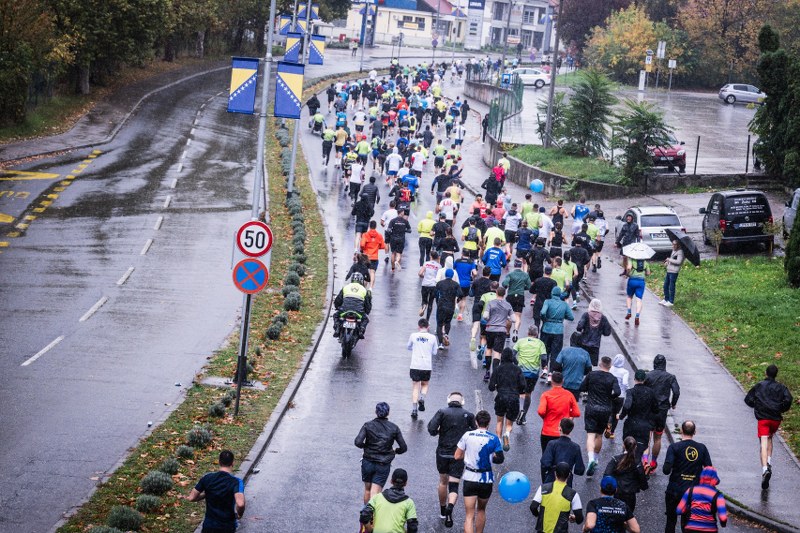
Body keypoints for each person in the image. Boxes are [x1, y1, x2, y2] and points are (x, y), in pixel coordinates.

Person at [428, 392, 477, 528]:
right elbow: (474, 432)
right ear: (462, 402)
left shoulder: (442, 412)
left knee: (443, 482)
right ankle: (451, 506)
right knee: (454, 484)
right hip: (458, 454)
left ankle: (443, 511)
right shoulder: (468, 415)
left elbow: (431, 429)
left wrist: (440, 431)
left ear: (449, 400)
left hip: (442, 453)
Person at [744, 364, 793, 489]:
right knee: (770, 438)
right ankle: (769, 462)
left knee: (763, 443)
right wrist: (780, 408)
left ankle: (765, 469)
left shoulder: (760, 385)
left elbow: (748, 399)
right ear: (776, 374)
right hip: (775, 419)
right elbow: (788, 399)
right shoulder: (781, 387)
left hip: (763, 419)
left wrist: (757, 405)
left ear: (766, 373)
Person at [455, 410, 505, 533]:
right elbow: (500, 459)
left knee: (469, 515)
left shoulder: (467, 435)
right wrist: (490, 457)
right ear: (489, 423)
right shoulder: (494, 438)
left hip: (470, 478)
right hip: (486, 479)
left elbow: (457, 456)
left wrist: (468, 455)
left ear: (476, 422)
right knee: (481, 510)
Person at [663, 420, 712, 533]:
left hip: (674, 491)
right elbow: (709, 469)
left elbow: (666, 470)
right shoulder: (702, 448)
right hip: (693, 493)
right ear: (695, 432)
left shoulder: (674, 447)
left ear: (681, 431)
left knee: (671, 521)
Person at [355, 402, 409, 504]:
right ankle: (373, 517)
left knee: (367, 490)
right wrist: (395, 451)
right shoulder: (394, 428)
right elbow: (403, 447)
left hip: (367, 462)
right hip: (383, 464)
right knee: (375, 492)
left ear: (376, 412)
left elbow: (358, 442)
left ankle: (365, 513)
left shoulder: (368, 425)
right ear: (388, 413)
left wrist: (366, 447)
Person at [579, 356, 621, 476]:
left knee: (590, 435)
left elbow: (582, 387)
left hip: (592, 407)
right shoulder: (612, 378)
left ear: (600, 363)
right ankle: (596, 459)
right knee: (599, 435)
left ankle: (591, 459)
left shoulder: (592, 375)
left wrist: (590, 391)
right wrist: (609, 397)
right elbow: (617, 392)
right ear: (610, 366)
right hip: (605, 409)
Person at [188, 450, 245, 533]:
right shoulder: (236, 482)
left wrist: (205, 494)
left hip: (209, 526)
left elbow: (192, 497)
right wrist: (240, 514)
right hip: (227, 527)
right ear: (232, 463)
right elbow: (240, 504)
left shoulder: (207, 478)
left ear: (219, 462)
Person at [644, 354, 680, 473]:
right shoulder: (670, 377)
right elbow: (676, 391)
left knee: (646, 437)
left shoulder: (648, 376)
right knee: (658, 438)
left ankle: (644, 461)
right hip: (662, 411)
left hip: (649, 409)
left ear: (654, 363)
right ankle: (653, 462)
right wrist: (673, 403)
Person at [488, 347, 526, 451]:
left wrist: (496, 387)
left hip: (501, 397)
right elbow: (523, 385)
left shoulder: (498, 369)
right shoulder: (517, 369)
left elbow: (491, 387)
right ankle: (507, 434)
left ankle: (499, 441)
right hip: (513, 398)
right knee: (509, 423)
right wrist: (520, 391)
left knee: (499, 421)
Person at [530, 462, 584, 533]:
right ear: (569, 475)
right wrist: (574, 518)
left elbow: (533, 507)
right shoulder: (573, 494)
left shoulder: (543, 488)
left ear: (555, 473)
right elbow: (580, 519)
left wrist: (539, 515)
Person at [359, 468, 419, 533]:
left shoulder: (378, 497)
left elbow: (364, 516)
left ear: (391, 481)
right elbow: (412, 527)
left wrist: (370, 530)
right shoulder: (409, 503)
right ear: (405, 483)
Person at [619, 369, 659, 460]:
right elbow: (656, 409)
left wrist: (621, 416)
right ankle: (644, 461)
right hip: (645, 424)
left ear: (634, 379)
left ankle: (625, 459)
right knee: (644, 446)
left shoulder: (630, 392)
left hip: (631, 423)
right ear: (644, 379)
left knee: (627, 443)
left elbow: (627, 406)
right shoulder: (651, 392)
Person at [538, 372, 581, 456]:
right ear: (563, 381)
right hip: (562, 432)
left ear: (552, 381)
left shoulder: (546, 395)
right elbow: (577, 413)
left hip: (547, 431)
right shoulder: (569, 395)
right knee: (561, 457)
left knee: (546, 456)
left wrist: (545, 418)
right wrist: (568, 416)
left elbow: (541, 411)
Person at [603, 436, 648, 514]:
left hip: (617, 493)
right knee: (628, 516)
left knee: (616, 515)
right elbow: (642, 478)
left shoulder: (615, 459)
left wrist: (609, 489)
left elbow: (607, 475)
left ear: (623, 445)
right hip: (630, 495)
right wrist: (644, 485)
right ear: (635, 447)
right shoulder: (637, 463)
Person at [675, 466, 728, 533]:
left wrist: (690, 508)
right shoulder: (718, 496)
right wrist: (723, 524)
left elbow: (679, 510)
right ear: (715, 479)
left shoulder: (690, 490)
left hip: (691, 529)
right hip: (710, 529)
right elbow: (723, 518)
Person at [513, 325, 547, 426]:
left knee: (517, 391)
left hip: (520, 371)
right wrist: (544, 367)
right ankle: (523, 415)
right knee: (528, 393)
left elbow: (513, 353)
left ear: (528, 333)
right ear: (536, 334)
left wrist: (516, 364)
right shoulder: (540, 343)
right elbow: (544, 357)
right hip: (533, 373)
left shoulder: (521, 341)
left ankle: (515, 411)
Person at [407, 319, 439, 418]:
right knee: (425, 384)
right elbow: (435, 352)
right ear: (428, 327)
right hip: (426, 365)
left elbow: (408, 347)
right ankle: (422, 397)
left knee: (415, 386)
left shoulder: (413, 336)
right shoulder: (433, 337)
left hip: (415, 365)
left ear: (419, 326)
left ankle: (414, 410)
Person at [482, 286, 514, 382]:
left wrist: (490, 319)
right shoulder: (508, 305)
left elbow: (485, 316)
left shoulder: (490, 303)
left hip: (490, 329)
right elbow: (514, 319)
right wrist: (506, 317)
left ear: (496, 293)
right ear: (504, 294)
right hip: (501, 330)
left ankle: (487, 371)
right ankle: (495, 374)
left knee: (489, 349)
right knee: (497, 352)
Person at [540, 286, 574, 376]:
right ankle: (551, 372)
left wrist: (545, 319)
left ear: (552, 293)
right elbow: (571, 317)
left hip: (546, 328)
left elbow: (543, 312)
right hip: (558, 330)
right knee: (555, 352)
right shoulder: (564, 304)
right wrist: (561, 317)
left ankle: (544, 368)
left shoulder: (547, 301)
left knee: (545, 350)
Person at [541, 418, 585, 486]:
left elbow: (545, 463)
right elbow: (580, 470)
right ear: (571, 430)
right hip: (567, 482)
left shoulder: (552, 444)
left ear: (560, 429)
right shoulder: (576, 447)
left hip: (551, 479)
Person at [333, 273, 372, 339]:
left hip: (344, 310)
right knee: (365, 319)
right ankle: (361, 331)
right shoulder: (364, 290)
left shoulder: (346, 287)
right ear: (361, 281)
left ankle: (337, 329)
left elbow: (338, 300)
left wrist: (337, 307)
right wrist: (366, 312)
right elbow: (367, 305)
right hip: (358, 311)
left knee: (336, 315)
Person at [575, 299, 612, 366]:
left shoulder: (586, 315)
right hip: (595, 346)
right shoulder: (603, 318)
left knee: (582, 364)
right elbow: (607, 332)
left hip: (584, 344)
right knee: (592, 366)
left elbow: (579, 327)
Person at [554, 332, 592, 399]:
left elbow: (556, 366)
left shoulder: (564, 351)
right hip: (577, 385)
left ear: (571, 340)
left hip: (564, 383)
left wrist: (563, 371)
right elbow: (589, 370)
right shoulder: (585, 354)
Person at [502, 264, 531, 341]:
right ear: (521, 267)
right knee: (517, 316)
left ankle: (507, 333)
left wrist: (509, 286)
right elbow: (529, 286)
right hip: (520, 296)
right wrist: (522, 287)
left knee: (509, 316)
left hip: (511, 296)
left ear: (515, 266)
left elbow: (505, 284)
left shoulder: (510, 274)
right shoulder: (525, 275)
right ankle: (516, 330)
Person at [469, 267, 494, 353]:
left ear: (482, 273)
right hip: (486, 306)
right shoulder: (491, 284)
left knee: (476, 324)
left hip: (476, 304)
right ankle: (480, 346)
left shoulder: (476, 281)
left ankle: (472, 337)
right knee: (483, 327)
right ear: (490, 274)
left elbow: (471, 294)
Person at [435, 269, 461, 349]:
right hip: (450, 306)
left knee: (439, 325)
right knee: (448, 322)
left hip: (441, 305)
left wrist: (437, 301)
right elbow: (461, 294)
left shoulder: (440, 283)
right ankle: (446, 334)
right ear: (452, 275)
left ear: (445, 274)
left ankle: (440, 344)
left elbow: (435, 294)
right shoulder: (456, 285)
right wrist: (457, 300)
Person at [607, 354, 630, 440]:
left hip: (611, 393)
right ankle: (612, 432)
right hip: (620, 395)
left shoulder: (610, 368)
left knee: (610, 411)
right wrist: (628, 390)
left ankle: (608, 424)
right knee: (616, 414)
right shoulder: (625, 372)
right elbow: (624, 383)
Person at [361, 221, 386, 289]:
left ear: (369, 226)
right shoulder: (379, 236)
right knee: (372, 272)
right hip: (374, 257)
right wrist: (376, 247)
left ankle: (364, 287)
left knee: (365, 272)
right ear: (376, 226)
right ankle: (371, 288)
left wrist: (364, 249)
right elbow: (383, 246)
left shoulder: (365, 235)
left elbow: (362, 245)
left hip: (366, 257)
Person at [624, 259, 650, 326]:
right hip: (641, 282)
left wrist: (627, 274)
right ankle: (637, 316)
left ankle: (629, 312)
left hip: (632, 280)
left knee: (629, 297)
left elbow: (629, 267)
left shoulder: (631, 260)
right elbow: (648, 273)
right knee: (639, 300)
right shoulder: (645, 262)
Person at [661, 239, 685, 307]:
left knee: (671, 286)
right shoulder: (674, 251)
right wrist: (667, 262)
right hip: (669, 270)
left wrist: (669, 259)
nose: (673, 246)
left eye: (675, 244)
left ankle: (671, 301)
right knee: (665, 285)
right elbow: (672, 259)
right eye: (672, 244)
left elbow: (679, 262)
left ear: (678, 245)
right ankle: (666, 299)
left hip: (674, 271)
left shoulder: (680, 252)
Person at [454, 251, 477, 321]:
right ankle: (460, 315)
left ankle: (455, 308)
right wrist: (473, 278)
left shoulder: (457, 261)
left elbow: (452, 269)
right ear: (469, 255)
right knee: (463, 299)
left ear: (462, 254)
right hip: (466, 283)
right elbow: (475, 273)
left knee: (455, 297)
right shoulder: (471, 262)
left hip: (457, 283)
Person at [419, 250, 441, 321]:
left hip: (425, 284)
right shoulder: (439, 266)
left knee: (424, 300)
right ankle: (427, 320)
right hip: (433, 285)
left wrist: (423, 276)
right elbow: (439, 277)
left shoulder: (426, 263)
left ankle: (423, 307)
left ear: (431, 257)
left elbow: (420, 273)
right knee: (431, 302)